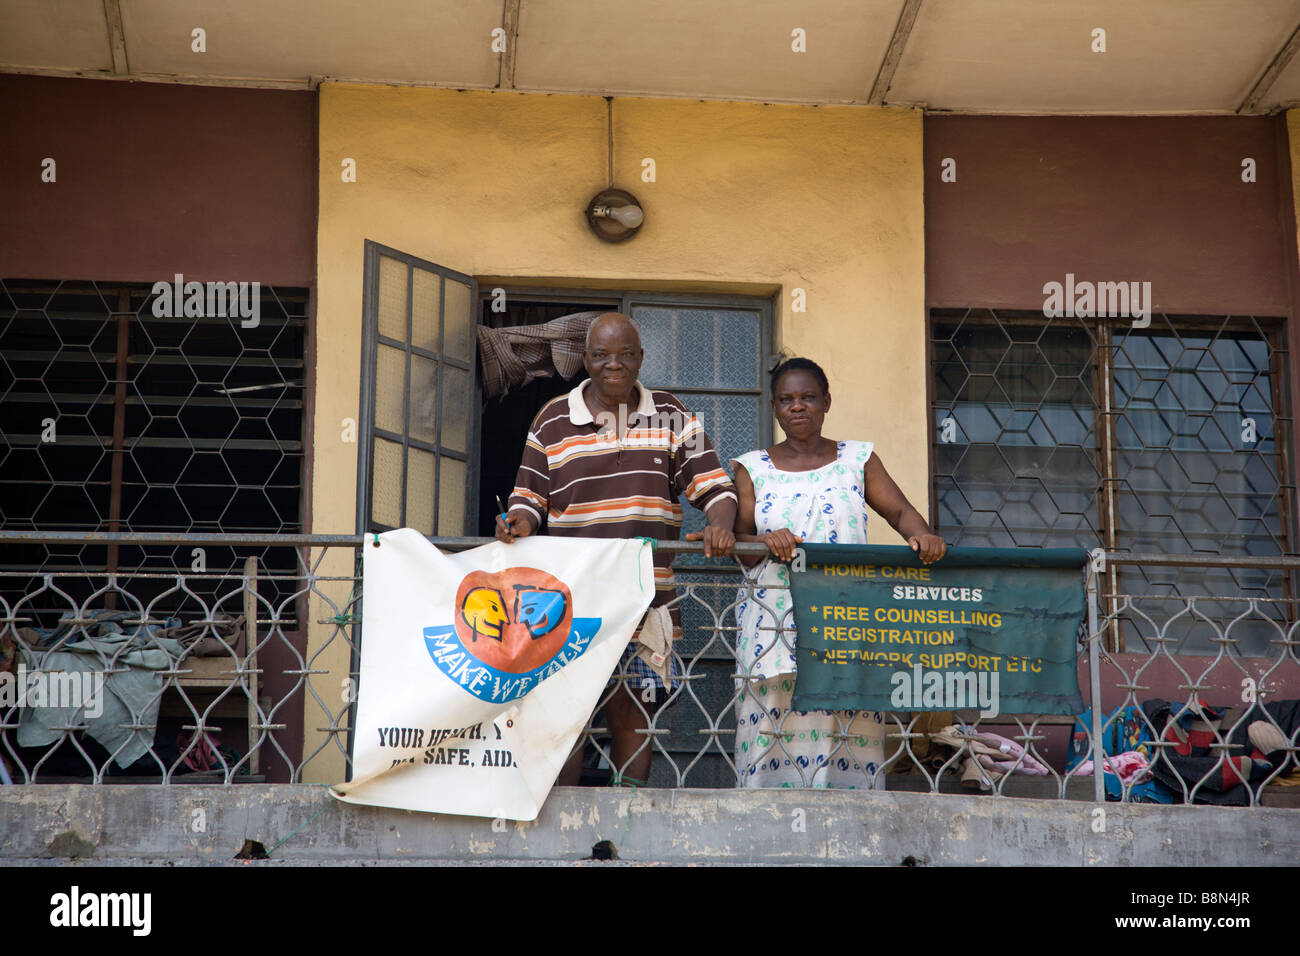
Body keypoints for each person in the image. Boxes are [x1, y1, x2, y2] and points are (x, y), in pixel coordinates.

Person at [496, 313, 737, 786]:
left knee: (634, 714)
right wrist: (516, 523)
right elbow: (529, 501)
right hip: (568, 603)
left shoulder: (671, 414)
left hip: (646, 600)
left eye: (626, 355)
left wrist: (721, 526)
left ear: (641, 359)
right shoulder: (551, 419)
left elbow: (716, 489)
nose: (614, 365)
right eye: (602, 355)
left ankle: (626, 823)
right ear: (585, 359)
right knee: (569, 716)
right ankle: (563, 832)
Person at [730, 357, 946, 788]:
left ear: (826, 402)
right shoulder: (751, 467)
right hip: (773, 623)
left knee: (847, 727)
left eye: (808, 397)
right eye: (787, 399)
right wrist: (765, 540)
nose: (798, 407)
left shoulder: (857, 457)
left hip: (846, 619)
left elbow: (899, 510)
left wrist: (922, 535)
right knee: (771, 728)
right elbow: (741, 547)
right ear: (773, 406)